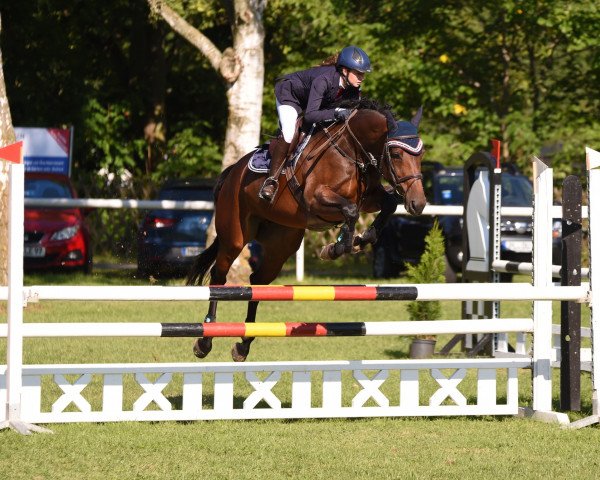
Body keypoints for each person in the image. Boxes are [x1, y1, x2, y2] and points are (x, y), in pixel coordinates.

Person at [258, 45, 372, 202]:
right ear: (345, 71)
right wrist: (336, 112)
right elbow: (311, 116)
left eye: (363, 74)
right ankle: (271, 181)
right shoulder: (323, 80)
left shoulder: (353, 88)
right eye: (358, 73)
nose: (361, 78)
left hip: (314, 102)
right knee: (290, 131)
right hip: (290, 96)